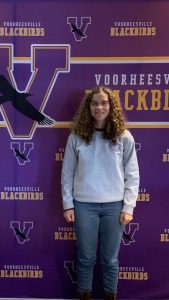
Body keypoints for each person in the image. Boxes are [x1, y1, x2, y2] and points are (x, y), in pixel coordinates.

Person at [61, 86, 139, 300]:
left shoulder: (124, 137)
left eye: (104, 102)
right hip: (84, 205)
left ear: (111, 106)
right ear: (88, 107)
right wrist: (68, 204)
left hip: (115, 207)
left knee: (110, 260)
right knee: (86, 258)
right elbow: (67, 172)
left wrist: (128, 207)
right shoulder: (76, 136)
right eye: (94, 103)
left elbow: (132, 175)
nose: (99, 107)